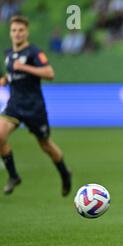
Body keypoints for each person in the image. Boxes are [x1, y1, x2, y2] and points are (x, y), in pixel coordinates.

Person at [0, 16, 71, 196]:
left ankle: (65, 173)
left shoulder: (34, 52)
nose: (17, 33)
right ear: (10, 32)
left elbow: (49, 73)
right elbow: (12, 74)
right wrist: (5, 79)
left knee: (46, 145)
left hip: (34, 108)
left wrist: (25, 68)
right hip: (14, 105)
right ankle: (14, 175)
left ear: (27, 32)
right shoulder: (8, 54)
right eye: (14, 30)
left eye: (21, 30)